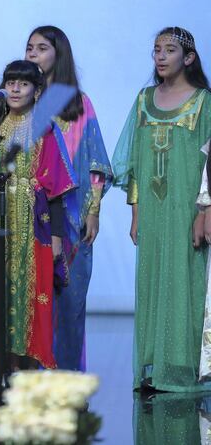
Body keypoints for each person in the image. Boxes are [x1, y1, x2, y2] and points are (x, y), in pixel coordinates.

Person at [113, 27, 211, 392]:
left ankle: (185, 367)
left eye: (170, 50)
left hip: (188, 206)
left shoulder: (203, 101)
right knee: (154, 277)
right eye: (156, 49)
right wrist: (136, 212)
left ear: (188, 58)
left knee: (187, 278)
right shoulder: (143, 100)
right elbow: (136, 161)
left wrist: (206, 210)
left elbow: (209, 162)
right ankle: (154, 365)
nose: (161, 56)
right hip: (153, 211)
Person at [0, 60, 79, 371]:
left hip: (36, 223)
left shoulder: (45, 129)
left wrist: (57, 235)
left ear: (37, 91)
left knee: (36, 294)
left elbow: (57, 187)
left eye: (24, 84)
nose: (16, 89)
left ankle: (32, 367)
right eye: (11, 82)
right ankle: (6, 368)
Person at [25, 25, 112, 371]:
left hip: (72, 220)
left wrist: (93, 212)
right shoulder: (19, 102)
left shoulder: (78, 103)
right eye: (29, 47)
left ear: (58, 55)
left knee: (69, 302)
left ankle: (67, 380)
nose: (33, 54)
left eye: (42, 48)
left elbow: (94, 162)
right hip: (28, 216)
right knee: (31, 303)